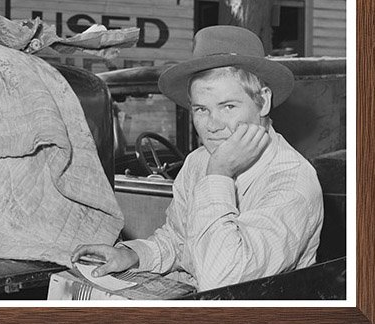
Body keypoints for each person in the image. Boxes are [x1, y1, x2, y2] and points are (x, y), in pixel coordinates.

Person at [71, 26, 323, 292]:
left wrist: (218, 175)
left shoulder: (292, 181)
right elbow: (181, 240)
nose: (211, 125)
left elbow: (224, 280)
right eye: (201, 109)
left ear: (263, 101)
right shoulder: (198, 161)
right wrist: (134, 254)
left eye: (228, 106)